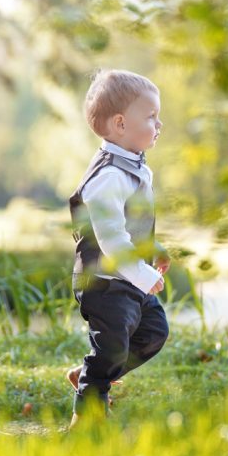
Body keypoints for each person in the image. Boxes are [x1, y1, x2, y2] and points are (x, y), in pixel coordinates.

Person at [67, 69, 170, 426]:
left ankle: (91, 375)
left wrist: (153, 247)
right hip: (105, 282)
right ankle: (87, 417)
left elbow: (129, 224)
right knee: (111, 346)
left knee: (154, 332)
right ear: (121, 123)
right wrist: (143, 273)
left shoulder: (134, 168)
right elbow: (110, 238)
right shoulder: (108, 176)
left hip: (129, 278)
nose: (159, 124)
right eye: (151, 116)